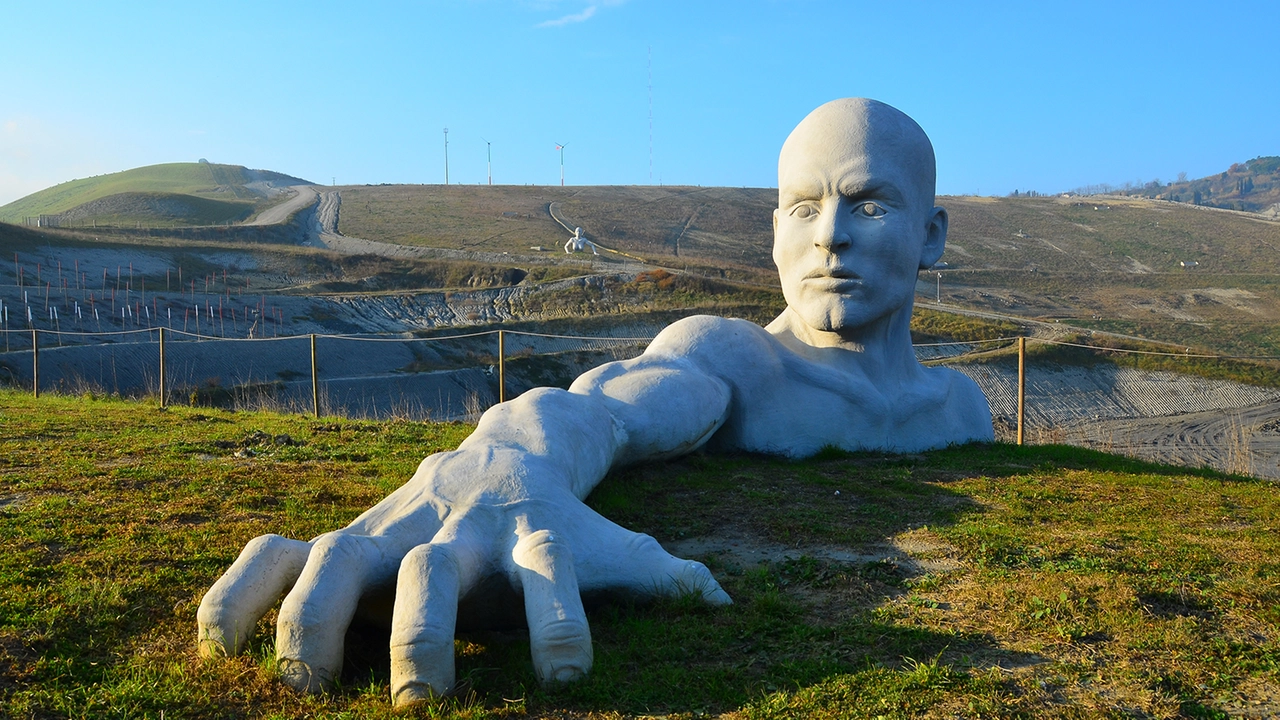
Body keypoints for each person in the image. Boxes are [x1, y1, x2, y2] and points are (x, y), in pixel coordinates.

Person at [196, 98, 993, 706]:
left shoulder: (963, 411)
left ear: (931, 235)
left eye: (871, 204)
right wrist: (497, 468)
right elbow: (603, 406)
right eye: (803, 207)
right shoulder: (735, 358)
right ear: (775, 229)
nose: (830, 236)